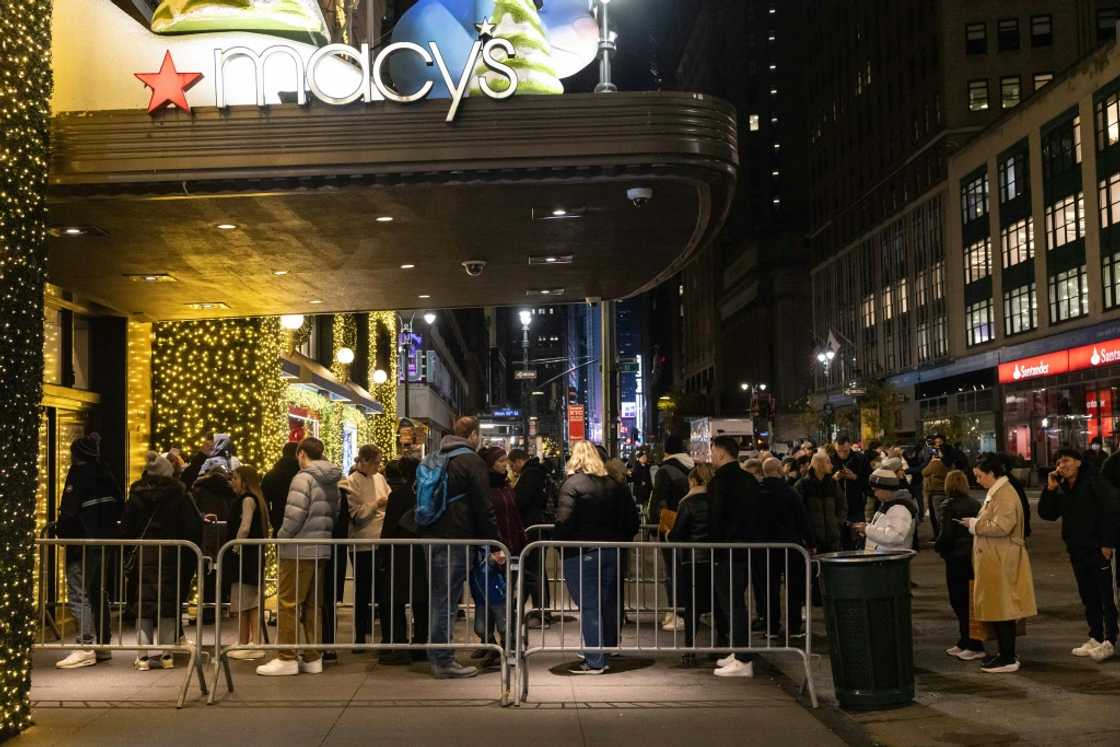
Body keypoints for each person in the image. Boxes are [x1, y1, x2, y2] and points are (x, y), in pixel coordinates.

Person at [418, 416, 501, 680]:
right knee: (447, 601)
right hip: (456, 537)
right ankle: (443, 661)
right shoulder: (471, 460)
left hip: (432, 535)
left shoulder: (435, 456)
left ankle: (438, 654)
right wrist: (494, 542)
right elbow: (483, 505)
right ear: (473, 435)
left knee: (439, 598)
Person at [553, 441, 640, 674]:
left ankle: (595, 660)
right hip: (611, 551)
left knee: (589, 606)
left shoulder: (572, 485)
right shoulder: (615, 485)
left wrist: (558, 544)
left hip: (582, 552)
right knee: (605, 603)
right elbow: (632, 520)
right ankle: (603, 648)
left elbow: (563, 521)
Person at [257, 437, 341, 676]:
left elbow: (294, 515)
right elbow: (335, 513)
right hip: (320, 547)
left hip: (298, 549)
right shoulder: (331, 480)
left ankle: (286, 656)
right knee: (314, 604)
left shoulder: (302, 478)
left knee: (288, 603)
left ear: (301, 453)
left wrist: (281, 537)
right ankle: (313, 656)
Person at [120, 452, 203, 671]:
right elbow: (193, 525)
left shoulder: (137, 493)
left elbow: (127, 526)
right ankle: (167, 655)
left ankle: (143, 656)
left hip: (144, 552)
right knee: (168, 603)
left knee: (143, 603)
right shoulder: (179, 493)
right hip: (172, 552)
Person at [1038, 447, 1120, 663]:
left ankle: (1110, 641)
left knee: (1107, 597)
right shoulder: (1063, 487)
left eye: (1065, 461)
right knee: (1088, 596)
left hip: (1098, 549)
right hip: (1077, 550)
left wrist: (1108, 543)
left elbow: (1112, 509)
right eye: (1058, 463)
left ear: (1078, 463)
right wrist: (1050, 490)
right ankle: (1095, 636)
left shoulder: (1094, 482)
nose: (1061, 466)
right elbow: (1047, 514)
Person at [55, 433, 123, 669]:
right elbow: (118, 507)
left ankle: (85, 645)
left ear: (77, 455)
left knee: (78, 592)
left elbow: (69, 510)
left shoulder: (78, 474)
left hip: (82, 542)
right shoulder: (106, 473)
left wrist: (61, 533)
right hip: (105, 540)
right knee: (97, 590)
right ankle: (103, 645)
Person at [967, 453, 1037, 673]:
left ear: (992, 473)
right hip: (998, 558)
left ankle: (1007, 657)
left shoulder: (1004, 494)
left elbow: (1002, 526)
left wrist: (975, 525)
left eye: (979, 476)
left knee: (1004, 609)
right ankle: (1005, 654)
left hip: (1002, 560)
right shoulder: (1000, 491)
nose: (977, 480)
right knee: (1000, 608)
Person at [707, 435, 760, 678]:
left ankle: (742, 658)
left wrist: (713, 543)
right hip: (746, 547)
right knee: (736, 602)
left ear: (720, 452)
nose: (710, 456)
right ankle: (739, 651)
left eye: (712, 450)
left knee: (732, 604)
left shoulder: (720, 481)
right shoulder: (748, 479)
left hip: (726, 549)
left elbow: (716, 517)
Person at [475, 447, 526, 669]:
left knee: (505, 600)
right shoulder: (483, 488)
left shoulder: (506, 485)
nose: (505, 463)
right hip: (490, 551)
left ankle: (508, 644)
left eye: (506, 459)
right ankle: (490, 643)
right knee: (487, 599)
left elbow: (513, 517)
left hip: (510, 549)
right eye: (500, 460)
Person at [757, 458, 813, 637]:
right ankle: (794, 627)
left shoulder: (757, 493)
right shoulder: (790, 492)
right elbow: (802, 518)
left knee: (769, 588)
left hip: (764, 547)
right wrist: (810, 542)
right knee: (794, 587)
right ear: (779, 470)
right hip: (791, 545)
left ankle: (771, 627)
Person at [380, 457, 428, 663]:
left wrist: (383, 553)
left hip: (401, 553)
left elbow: (389, 527)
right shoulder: (427, 494)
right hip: (424, 552)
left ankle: (399, 646)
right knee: (422, 601)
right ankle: (421, 645)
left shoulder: (398, 496)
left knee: (394, 600)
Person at [344, 445, 391, 651]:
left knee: (383, 590)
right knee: (362, 592)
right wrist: (376, 504)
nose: (377, 467)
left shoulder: (380, 478)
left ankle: (385, 636)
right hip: (362, 542)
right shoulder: (351, 483)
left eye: (379, 463)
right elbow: (356, 515)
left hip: (381, 541)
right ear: (362, 461)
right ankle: (360, 636)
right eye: (374, 463)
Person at [935, 470, 985, 661]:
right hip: (973, 556)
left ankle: (972, 643)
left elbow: (945, 534)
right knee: (970, 601)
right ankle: (966, 640)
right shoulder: (974, 503)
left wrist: (940, 548)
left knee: (959, 601)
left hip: (955, 557)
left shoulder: (948, 505)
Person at [668, 463, 715, 666]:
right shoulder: (716, 500)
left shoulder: (688, 502)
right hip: (715, 558)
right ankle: (722, 647)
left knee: (692, 607)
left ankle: (689, 649)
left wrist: (669, 533)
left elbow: (678, 533)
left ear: (694, 481)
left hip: (692, 559)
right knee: (717, 605)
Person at [227, 465, 271, 660]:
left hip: (245, 557)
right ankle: (245, 641)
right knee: (249, 601)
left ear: (245, 481)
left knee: (248, 601)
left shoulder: (246, 500)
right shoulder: (257, 499)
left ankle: (252, 642)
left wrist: (235, 547)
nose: (232, 482)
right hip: (252, 556)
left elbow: (244, 527)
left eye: (235, 478)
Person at [650, 436, 693, 632]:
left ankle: (677, 613)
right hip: (692, 527)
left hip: (672, 527)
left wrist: (654, 525)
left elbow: (658, 501)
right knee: (689, 571)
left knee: (673, 571)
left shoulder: (665, 471)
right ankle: (692, 611)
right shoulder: (692, 467)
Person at [510, 448, 552, 627]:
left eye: (512, 466)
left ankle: (540, 612)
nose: (512, 470)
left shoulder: (530, 474)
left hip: (533, 528)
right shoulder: (537, 472)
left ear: (519, 461)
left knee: (533, 571)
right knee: (532, 570)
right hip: (536, 528)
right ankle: (527, 610)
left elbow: (521, 500)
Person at [854, 467, 917, 553]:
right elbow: (884, 527)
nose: (875, 494)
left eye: (876, 490)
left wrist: (867, 529)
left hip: (891, 560)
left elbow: (895, 536)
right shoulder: (888, 503)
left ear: (886, 488)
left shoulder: (899, 508)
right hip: (885, 557)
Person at [795, 451, 846, 555]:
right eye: (828, 462)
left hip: (833, 539)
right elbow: (798, 511)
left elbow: (842, 505)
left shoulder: (833, 484)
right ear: (819, 465)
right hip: (813, 540)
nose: (831, 465)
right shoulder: (802, 485)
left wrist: (837, 523)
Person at [831, 434, 870, 549]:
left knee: (859, 539)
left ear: (850, 447)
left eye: (845, 451)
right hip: (836, 508)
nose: (842, 455)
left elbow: (869, 481)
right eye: (839, 451)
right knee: (842, 541)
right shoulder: (830, 460)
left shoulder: (860, 459)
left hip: (856, 506)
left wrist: (855, 477)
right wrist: (834, 479)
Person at [262, 442, 301, 535]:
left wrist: (271, 518)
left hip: (279, 518)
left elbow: (264, 499)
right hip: (301, 520)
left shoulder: (272, 474)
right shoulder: (302, 473)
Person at [922, 450, 949, 537]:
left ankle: (939, 536)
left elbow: (924, 472)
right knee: (942, 515)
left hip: (935, 492)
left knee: (936, 516)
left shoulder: (934, 464)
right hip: (944, 491)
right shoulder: (946, 464)